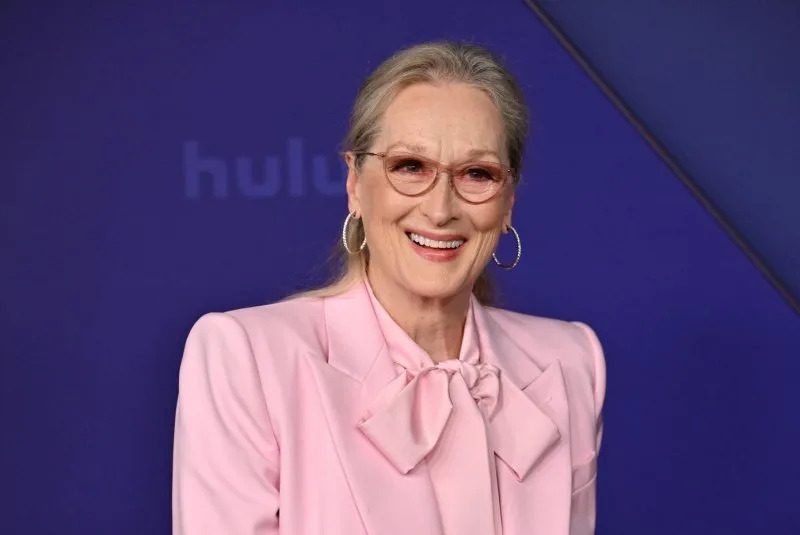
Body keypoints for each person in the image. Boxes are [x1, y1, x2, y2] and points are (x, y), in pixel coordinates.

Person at [172, 41, 606, 535]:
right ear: (355, 183)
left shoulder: (572, 363)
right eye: (410, 167)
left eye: (477, 174)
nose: (441, 209)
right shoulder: (248, 357)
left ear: (507, 201)